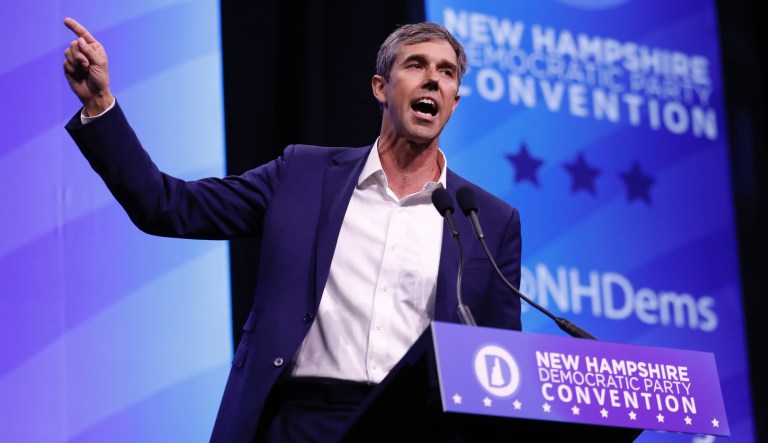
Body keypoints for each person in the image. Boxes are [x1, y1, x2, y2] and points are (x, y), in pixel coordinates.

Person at [62, 17, 522, 442]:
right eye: (416, 65)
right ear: (381, 87)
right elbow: (168, 207)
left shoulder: (488, 220)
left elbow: (497, 366)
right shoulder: (302, 174)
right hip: (296, 422)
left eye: (446, 72)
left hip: (411, 429)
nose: (432, 80)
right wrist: (101, 106)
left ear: (454, 100)